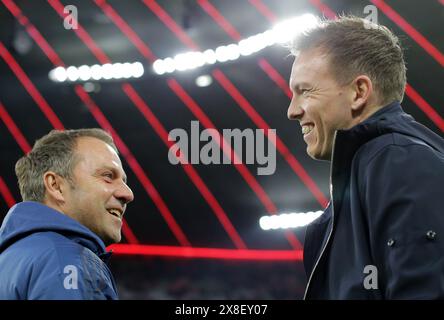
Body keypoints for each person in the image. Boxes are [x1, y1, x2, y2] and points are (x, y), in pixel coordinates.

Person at [287, 16, 444, 299]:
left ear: (359, 92)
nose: (292, 110)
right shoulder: (373, 166)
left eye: (305, 91)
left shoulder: (399, 161)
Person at [0, 128, 134, 299]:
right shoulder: (68, 260)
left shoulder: (10, 259)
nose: (128, 194)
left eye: (123, 181)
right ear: (56, 186)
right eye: (108, 176)